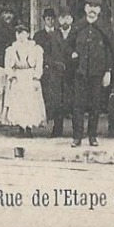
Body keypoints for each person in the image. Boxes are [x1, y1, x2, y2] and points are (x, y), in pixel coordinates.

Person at [71, 0, 114, 147]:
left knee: (95, 106)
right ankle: (77, 137)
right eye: (89, 6)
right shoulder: (77, 27)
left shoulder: (104, 28)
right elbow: (67, 46)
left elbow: (111, 51)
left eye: (95, 7)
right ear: (85, 9)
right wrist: (72, 54)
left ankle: (92, 136)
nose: (92, 10)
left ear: (100, 11)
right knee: (78, 106)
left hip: (97, 73)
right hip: (80, 72)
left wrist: (108, 71)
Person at [2, 23, 46, 135]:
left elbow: (39, 64)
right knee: (19, 103)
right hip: (18, 77)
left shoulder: (35, 48)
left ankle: (29, 127)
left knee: (30, 102)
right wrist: (11, 76)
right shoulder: (11, 49)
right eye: (18, 33)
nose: (21, 36)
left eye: (23, 33)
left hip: (29, 77)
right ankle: (21, 127)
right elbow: (7, 65)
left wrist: (36, 77)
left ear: (28, 34)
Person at [34, 8, 67, 138]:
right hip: (44, 71)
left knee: (58, 100)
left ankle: (57, 128)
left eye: (53, 19)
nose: (50, 21)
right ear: (44, 20)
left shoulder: (60, 34)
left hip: (57, 72)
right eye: (48, 19)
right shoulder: (38, 35)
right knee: (44, 98)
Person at [54, 8, 77, 138]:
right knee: (58, 102)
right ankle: (57, 130)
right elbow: (49, 53)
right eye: (62, 18)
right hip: (58, 73)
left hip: (73, 73)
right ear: (59, 20)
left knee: (74, 102)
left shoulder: (77, 34)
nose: (65, 21)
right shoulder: (54, 35)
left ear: (71, 20)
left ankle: (76, 131)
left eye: (67, 18)